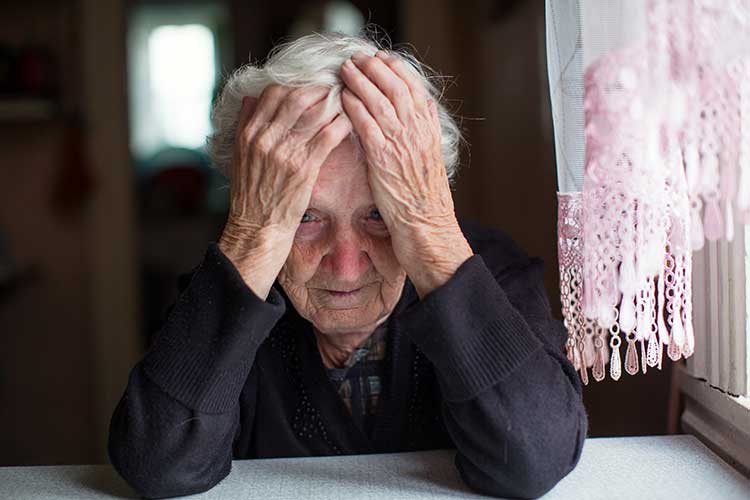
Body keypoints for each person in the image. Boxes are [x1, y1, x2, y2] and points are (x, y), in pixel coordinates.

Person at [108, 30, 587, 500]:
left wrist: (431, 233)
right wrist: (253, 239)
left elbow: (535, 459)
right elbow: (157, 465)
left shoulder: (492, 274)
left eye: (379, 214)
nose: (346, 265)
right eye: (305, 216)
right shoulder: (234, 288)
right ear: (256, 206)